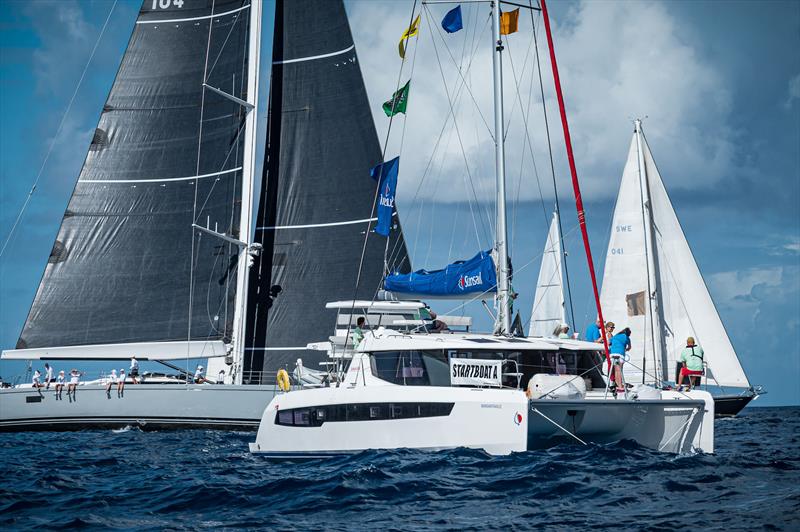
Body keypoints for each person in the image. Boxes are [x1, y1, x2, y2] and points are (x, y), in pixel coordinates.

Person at [609, 327, 632, 393]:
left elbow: (609, 343)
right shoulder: (627, 338)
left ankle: (618, 385)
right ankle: (621, 387)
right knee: (619, 370)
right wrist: (625, 349)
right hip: (621, 354)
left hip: (612, 354)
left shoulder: (616, 336)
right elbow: (629, 347)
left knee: (616, 370)